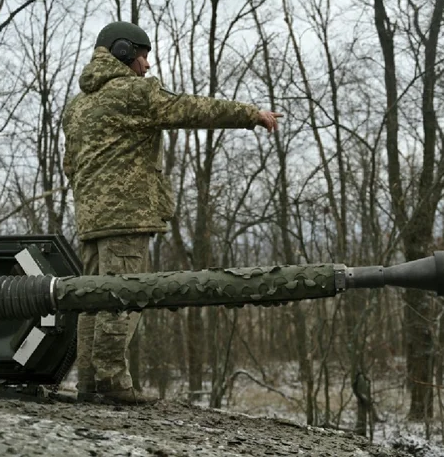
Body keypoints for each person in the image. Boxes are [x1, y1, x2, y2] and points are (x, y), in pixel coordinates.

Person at [62, 21, 282, 404]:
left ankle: (89, 382)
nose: (147, 66)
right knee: (122, 297)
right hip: (126, 215)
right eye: (143, 56)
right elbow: (193, 109)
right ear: (124, 52)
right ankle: (112, 383)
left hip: (91, 219)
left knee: (91, 298)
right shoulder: (133, 93)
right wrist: (251, 114)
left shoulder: (77, 107)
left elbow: (70, 164)